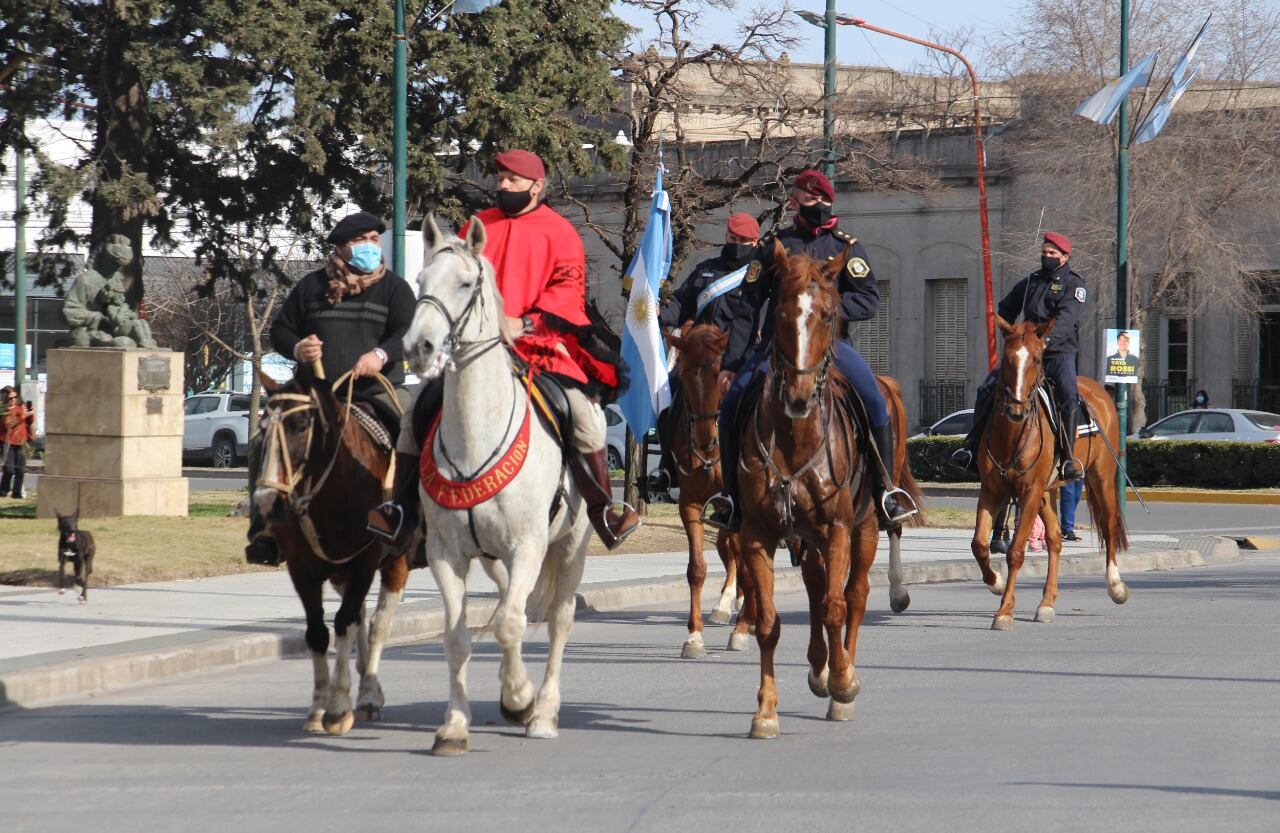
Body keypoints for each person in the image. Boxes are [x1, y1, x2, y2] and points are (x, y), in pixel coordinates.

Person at [368, 149, 639, 551]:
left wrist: (523, 323)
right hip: (476, 349)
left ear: (537, 186)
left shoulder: (560, 231)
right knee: (416, 412)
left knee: (582, 415)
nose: (503, 185)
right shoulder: (477, 228)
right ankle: (400, 510)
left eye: (513, 179)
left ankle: (603, 512)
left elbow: (566, 293)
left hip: (541, 346)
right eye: (500, 178)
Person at [703, 169, 915, 532]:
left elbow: (869, 299)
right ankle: (731, 498)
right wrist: (732, 364)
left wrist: (823, 311)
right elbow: (748, 306)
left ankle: (885, 491)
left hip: (831, 346)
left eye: (822, 200)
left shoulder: (846, 246)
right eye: (810, 199)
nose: (817, 206)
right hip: (775, 347)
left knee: (875, 400)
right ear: (794, 202)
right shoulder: (774, 246)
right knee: (735, 401)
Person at [244, 211, 417, 566]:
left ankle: (405, 521)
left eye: (374, 239)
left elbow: (408, 331)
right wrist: (297, 347)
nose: (371, 246)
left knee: (411, 434)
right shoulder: (310, 286)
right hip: (314, 394)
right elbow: (281, 329)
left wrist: (381, 355)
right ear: (340, 247)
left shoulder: (395, 289)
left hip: (375, 392)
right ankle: (264, 529)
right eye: (361, 240)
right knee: (265, 438)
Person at [949, 231, 1088, 482]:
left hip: (1057, 353)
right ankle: (970, 449)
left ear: (1065, 257)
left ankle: (1068, 458)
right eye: (1044, 252)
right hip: (1026, 356)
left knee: (1069, 395)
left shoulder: (1074, 284)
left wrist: (1044, 341)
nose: (1047, 256)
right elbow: (1005, 307)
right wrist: (1013, 336)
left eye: (1052, 253)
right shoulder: (1031, 282)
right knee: (987, 389)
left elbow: (1067, 319)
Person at [651, 211, 761, 490]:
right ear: (726, 236)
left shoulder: (759, 277)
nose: (736, 243)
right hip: (701, 360)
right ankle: (668, 467)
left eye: (743, 240)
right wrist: (660, 313)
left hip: (740, 357)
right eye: (732, 237)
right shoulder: (705, 271)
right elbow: (681, 303)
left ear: (755, 242)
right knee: (668, 392)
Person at [1, 386, 34, 499]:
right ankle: (3, 491)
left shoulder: (21, 408)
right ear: (5, 398)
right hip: (8, 442)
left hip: (21, 442)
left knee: (20, 470)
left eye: (15, 396)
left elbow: (29, 422)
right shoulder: (4, 410)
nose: (13, 399)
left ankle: (17, 492)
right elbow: (8, 424)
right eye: (11, 397)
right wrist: (22, 416)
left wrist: (30, 413)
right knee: (9, 469)